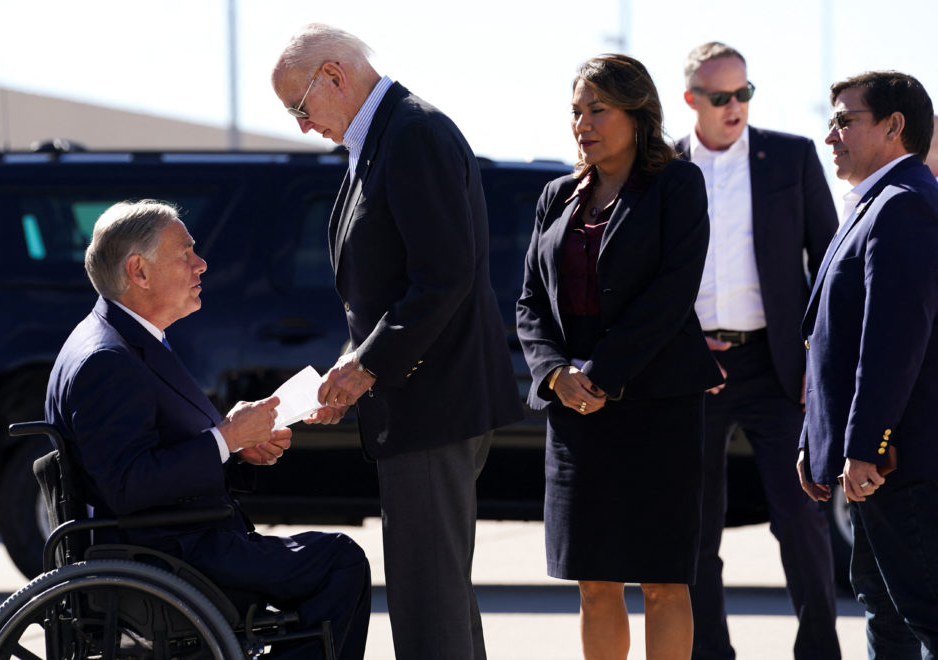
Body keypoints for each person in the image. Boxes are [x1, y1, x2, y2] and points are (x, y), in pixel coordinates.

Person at [270, 24, 523, 660]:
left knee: (427, 605)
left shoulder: (413, 133)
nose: (301, 126)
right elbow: (387, 286)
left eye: (300, 108)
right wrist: (352, 363)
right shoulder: (380, 139)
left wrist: (369, 367)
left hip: (432, 406)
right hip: (417, 403)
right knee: (436, 595)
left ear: (333, 75)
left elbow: (445, 277)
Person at [46, 199, 371, 660]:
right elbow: (128, 483)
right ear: (139, 271)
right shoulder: (107, 359)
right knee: (339, 561)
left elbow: (155, 449)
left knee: (330, 561)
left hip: (178, 541)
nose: (201, 264)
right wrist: (226, 438)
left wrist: (235, 446)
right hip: (167, 552)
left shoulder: (127, 341)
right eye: (186, 253)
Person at [516, 54, 722, 660]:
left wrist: (601, 374)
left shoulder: (677, 184)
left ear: (638, 114)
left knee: (662, 580)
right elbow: (529, 301)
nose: (583, 124)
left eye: (598, 110)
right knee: (594, 581)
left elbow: (673, 292)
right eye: (577, 112)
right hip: (574, 411)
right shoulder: (556, 195)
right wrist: (555, 374)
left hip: (658, 407)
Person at [674, 42, 841, 660]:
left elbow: (828, 263)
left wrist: (814, 357)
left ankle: (820, 649)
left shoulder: (789, 158)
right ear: (692, 100)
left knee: (801, 518)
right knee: (697, 528)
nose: (736, 106)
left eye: (745, 93)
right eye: (722, 97)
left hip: (778, 367)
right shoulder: (664, 165)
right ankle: (710, 651)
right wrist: (684, 347)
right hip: (694, 370)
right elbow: (646, 277)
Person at [799, 71, 938, 658]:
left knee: (923, 609)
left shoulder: (903, 206)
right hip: (876, 461)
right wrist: (819, 440)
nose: (830, 135)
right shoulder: (873, 203)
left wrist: (866, 445)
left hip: (900, 463)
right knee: (887, 613)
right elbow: (831, 341)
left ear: (893, 126)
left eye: (844, 121)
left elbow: (892, 342)